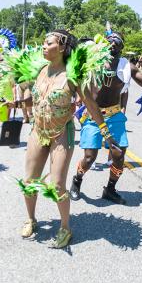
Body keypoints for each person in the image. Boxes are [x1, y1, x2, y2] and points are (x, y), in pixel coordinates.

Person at [15, 30, 118, 248]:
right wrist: (19, 102)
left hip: (62, 132)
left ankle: (65, 227)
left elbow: (91, 105)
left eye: (48, 43)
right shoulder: (40, 70)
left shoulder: (72, 76)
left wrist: (106, 134)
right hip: (38, 131)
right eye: (43, 42)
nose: (43, 46)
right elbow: (31, 96)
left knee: (58, 184)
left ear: (61, 47)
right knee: (29, 180)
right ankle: (31, 219)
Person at [69, 32, 142, 204]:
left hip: (115, 115)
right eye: (110, 40)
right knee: (89, 157)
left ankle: (110, 189)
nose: (113, 43)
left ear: (122, 47)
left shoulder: (127, 66)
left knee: (119, 156)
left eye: (117, 41)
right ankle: (76, 182)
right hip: (93, 115)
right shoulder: (93, 62)